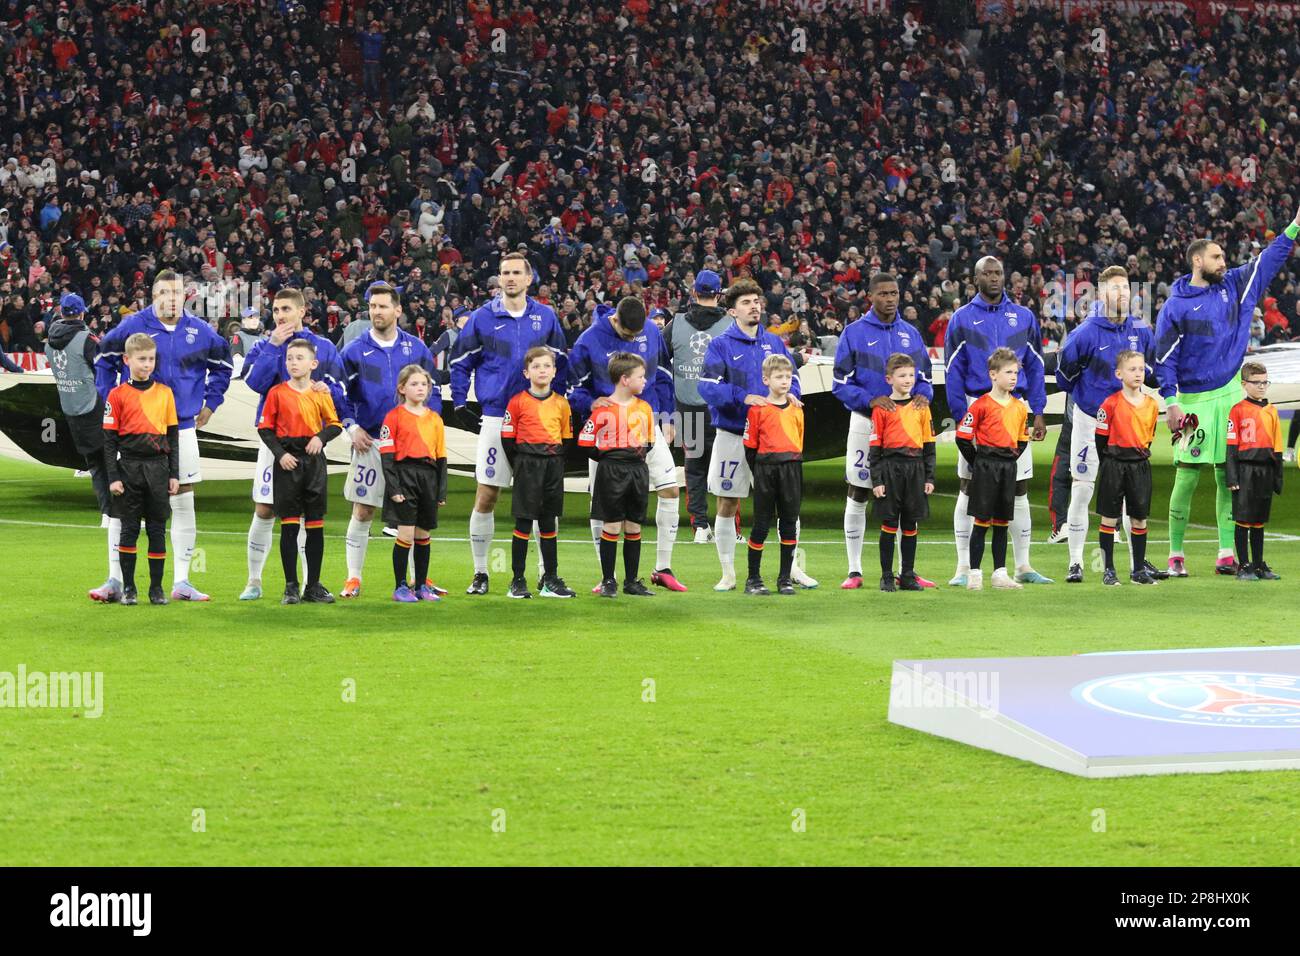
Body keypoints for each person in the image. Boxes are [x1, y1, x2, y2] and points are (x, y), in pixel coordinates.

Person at [1155, 209, 1300, 577]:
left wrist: (1295, 225)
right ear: (1197, 260)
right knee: (1187, 476)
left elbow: (1269, 258)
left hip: (1231, 396)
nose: (1224, 261)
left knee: (1227, 475)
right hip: (1193, 402)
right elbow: (1164, 359)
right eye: (1216, 256)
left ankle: (1224, 551)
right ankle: (1175, 554)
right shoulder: (1176, 305)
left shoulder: (1235, 285)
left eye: (1223, 257)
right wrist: (1170, 401)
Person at [94, 269, 233, 603]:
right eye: (164, 292)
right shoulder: (132, 326)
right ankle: (115, 579)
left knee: (183, 497)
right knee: (123, 501)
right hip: (132, 432)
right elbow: (103, 360)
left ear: (186, 294)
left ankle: (182, 581)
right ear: (152, 295)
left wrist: (211, 404)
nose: (171, 298)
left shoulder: (201, 331)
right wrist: (109, 400)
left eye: (177, 292)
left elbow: (224, 367)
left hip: (181, 427)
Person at [450, 250, 568, 595]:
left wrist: (557, 406)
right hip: (495, 417)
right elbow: (460, 362)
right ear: (499, 279)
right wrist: (459, 402)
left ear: (529, 279)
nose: (511, 278)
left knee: (543, 501)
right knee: (487, 494)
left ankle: (547, 573)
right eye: (506, 272)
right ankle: (481, 572)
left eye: (518, 272)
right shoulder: (482, 318)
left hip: (539, 420)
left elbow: (560, 362)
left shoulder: (545, 317)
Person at [698, 278, 816, 592]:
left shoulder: (774, 342)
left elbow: (790, 377)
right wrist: (741, 396)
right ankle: (728, 573)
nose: (755, 307)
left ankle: (790, 570)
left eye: (757, 301)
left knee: (787, 505)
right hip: (734, 434)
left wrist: (793, 393)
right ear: (733, 311)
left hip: (773, 439)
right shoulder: (720, 344)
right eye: (747, 303)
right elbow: (706, 387)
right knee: (727, 502)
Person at [945, 257, 1051, 587]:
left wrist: (1038, 410)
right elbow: (952, 370)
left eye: (999, 273)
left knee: (1018, 488)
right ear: (975, 278)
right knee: (969, 486)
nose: (994, 278)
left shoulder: (1023, 316)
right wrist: (961, 415)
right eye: (987, 273)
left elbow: (1034, 366)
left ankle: (1023, 566)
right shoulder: (962, 319)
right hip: (979, 405)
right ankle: (964, 568)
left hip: (1015, 408)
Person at [569, 297, 686, 593]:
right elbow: (572, 387)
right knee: (602, 507)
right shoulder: (589, 341)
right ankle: (605, 575)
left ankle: (663, 567)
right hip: (608, 430)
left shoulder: (651, 330)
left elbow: (664, 375)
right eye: (627, 334)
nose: (634, 339)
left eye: (638, 335)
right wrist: (590, 402)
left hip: (646, 421)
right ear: (615, 319)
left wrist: (669, 417)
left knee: (670, 487)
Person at [239, 288, 347, 601]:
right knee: (264, 508)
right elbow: (254, 383)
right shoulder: (265, 344)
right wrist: (273, 346)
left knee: (309, 515)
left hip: (311, 444)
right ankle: (254, 580)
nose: (280, 315)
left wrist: (328, 388)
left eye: (286, 309)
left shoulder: (323, 347)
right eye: (275, 310)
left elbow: (340, 390)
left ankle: (308, 583)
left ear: (302, 311)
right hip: (276, 443)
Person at [1055, 266, 1160, 583]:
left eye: (1126, 288)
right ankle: (1076, 562)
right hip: (1090, 422)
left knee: (1131, 495)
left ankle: (1135, 564)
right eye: (1115, 288)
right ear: (1101, 294)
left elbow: (1150, 369)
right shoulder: (1085, 333)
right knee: (1083, 489)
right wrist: (1092, 404)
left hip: (1128, 424)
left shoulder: (1140, 330)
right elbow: (1064, 375)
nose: (1123, 294)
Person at [831, 272, 936, 590]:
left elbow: (927, 378)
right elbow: (839, 383)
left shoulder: (910, 334)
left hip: (906, 424)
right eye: (884, 294)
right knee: (860, 490)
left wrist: (923, 395)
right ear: (871, 296)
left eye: (895, 293)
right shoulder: (854, 333)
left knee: (906, 498)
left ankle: (907, 571)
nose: (890, 299)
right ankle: (854, 569)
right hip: (867, 422)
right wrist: (870, 400)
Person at [337, 282, 439, 599]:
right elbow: (340, 395)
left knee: (413, 515)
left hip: (410, 448)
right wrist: (351, 427)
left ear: (398, 310)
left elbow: (431, 395)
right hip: (371, 443)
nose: (376, 312)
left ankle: (417, 580)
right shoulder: (354, 351)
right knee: (364, 510)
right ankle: (353, 578)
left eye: (383, 306)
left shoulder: (417, 349)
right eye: (372, 307)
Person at [255, 339, 342, 605]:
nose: (293, 362)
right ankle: (290, 586)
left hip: (314, 462)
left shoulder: (320, 393)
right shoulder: (277, 393)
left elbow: (335, 423)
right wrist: (280, 455)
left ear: (313, 364)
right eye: (290, 358)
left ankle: (312, 585)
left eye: (299, 358)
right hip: (288, 462)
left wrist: (321, 437)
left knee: (315, 526)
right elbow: (265, 428)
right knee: (290, 526)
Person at [102, 333, 179, 606]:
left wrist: (174, 474)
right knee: (129, 529)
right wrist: (113, 477)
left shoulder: (165, 393)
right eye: (141, 359)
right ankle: (130, 587)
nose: (147, 364)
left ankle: (156, 589)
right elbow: (109, 441)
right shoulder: (117, 394)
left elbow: (173, 438)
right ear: (127, 360)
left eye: (151, 359)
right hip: (129, 468)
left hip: (158, 469)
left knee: (157, 530)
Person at [46, 294, 115, 592]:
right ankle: (119, 514)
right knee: (112, 460)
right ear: (83, 313)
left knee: (94, 465)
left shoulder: (48, 342)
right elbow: (103, 371)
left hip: (71, 409)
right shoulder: (88, 340)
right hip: (94, 406)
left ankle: (105, 514)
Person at [577, 352, 656, 598]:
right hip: (611, 470)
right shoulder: (603, 409)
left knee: (633, 525)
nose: (645, 381)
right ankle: (608, 580)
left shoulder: (645, 408)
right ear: (624, 379)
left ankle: (631, 581)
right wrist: (607, 457)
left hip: (637, 470)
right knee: (611, 524)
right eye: (640, 376)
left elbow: (650, 441)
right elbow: (585, 440)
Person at [501, 347, 576, 599]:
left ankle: (550, 579)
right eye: (536, 366)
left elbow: (566, 439)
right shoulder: (517, 402)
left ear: (554, 371)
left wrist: (551, 461)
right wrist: (522, 464)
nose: (542, 370)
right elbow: (508, 440)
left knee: (548, 522)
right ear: (526, 372)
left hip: (552, 464)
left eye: (546, 366)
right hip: (527, 464)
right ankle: (517, 579)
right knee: (523, 521)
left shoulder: (562, 404)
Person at [663, 269, 730, 542]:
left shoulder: (675, 324)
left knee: (695, 469)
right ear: (719, 294)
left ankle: (700, 526)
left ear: (693, 293)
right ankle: (729, 528)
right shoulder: (729, 324)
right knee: (727, 467)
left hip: (688, 407)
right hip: (723, 409)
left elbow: (659, 364)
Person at [955, 348, 1030, 592]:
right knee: (981, 521)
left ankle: (1000, 573)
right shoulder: (980, 405)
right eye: (1008, 372)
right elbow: (963, 437)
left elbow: (1022, 439)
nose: (1013, 377)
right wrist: (977, 461)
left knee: (1002, 522)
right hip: (986, 466)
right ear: (993, 375)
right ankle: (974, 573)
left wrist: (1010, 458)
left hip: (1008, 467)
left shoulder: (1019, 407)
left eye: (1016, 373)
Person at [378, 365, 449, 603]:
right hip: (404, 475)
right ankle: (400, 587)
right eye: (414, 384)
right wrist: (394, 488)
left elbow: (441, 458)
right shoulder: (394, 416)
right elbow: (387, 456)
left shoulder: (435, 419)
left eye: (424, 385)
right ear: (402, 388)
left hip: (427, 477)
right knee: (406, 534)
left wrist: (440, 490)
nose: (420, 388)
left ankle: (420, 585)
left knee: (423, 533)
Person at [868, 353, 936, 593]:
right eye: (902, 375)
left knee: (910, 524)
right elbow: (874, 448)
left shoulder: (922, 406)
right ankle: (886, 576)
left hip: (915, 468)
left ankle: (907, 574)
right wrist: (877, 479)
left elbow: (929, 446)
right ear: (889, 379)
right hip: (890, 469)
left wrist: (929, 477)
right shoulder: (882, 408)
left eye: (911, 375)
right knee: (888, 523)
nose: (908, 380)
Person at [1093, 351, 1160, 586]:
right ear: (1119, 374)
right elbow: (1100, 439)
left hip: (1140, 466)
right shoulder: (1110, 404)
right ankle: (1109, 569)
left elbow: (1148, 437)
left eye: (1141, 369)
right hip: (1114, 465)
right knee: (1109, 519)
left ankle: (1138, 570)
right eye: (1132, 369)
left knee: (1139, 519)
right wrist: (1110, 462)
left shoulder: (1152, 405)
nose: (1138, 373)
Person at [741, 353, 804, 596]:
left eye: (788, 377)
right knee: (761, 524)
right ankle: (753, 578)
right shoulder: (758, 410)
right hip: (766, 469)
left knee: (789, 523)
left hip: (791, 468)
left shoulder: (797, 409)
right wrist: (759, 472)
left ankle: (784, 578)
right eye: (779, 377)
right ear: (766, 380)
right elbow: (750, 446)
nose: (785, 381)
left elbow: (799, 441)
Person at [1225, 362, 1284, 581]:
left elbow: (1277, 447)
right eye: (1256, 382)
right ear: (1244, 384)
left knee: (1259, 520)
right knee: (1243, 519)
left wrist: (1278, 477)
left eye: (1264, 382)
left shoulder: (1272, 411)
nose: (1261, 387)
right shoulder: (1237, 410)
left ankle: (1259, 564)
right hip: (1245, 470)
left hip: (1265, 471)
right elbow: (1231, 446)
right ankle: (1244, 565)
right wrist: (1232, 476)